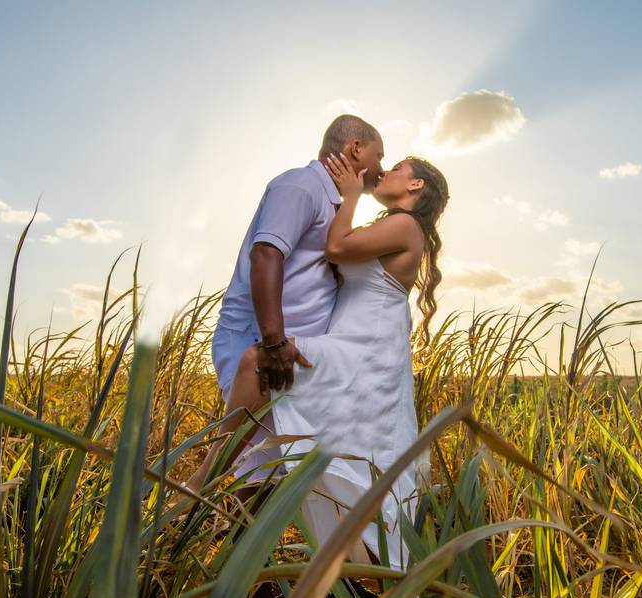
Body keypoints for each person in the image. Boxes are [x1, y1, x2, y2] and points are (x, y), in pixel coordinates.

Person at [191, 147, 449, 574]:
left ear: (415, 185)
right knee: (353, 476)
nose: (387, 170)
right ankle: (381, 582)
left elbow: (336, 246)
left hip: (366, 350)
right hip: (354, 342)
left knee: (260, 361)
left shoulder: (405, 225)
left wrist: (350, 194)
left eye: (398, 166)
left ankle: (207, 473)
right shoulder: (391, 225)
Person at [188, 114, 385, 495]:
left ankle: (228, 546)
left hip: (288, 355)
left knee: (264, 475)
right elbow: (266, 255)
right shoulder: (301, 186)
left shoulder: (334, 203)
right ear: (356, 149)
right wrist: (274, 343)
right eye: (379, 155)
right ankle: (182, 518)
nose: (382, 167)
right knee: (252, 470)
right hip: (261, 348)